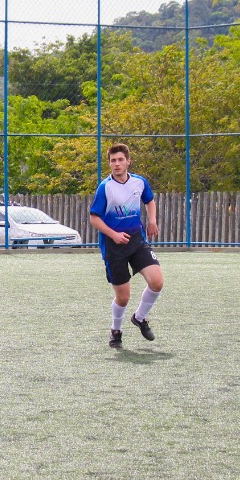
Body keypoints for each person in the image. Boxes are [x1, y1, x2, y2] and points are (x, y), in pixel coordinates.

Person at [89, 143, 164, 349]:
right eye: (113, 160)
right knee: (123, 297)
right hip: (114, 247)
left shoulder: (139, 182)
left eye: (120, 159)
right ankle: (116, 331)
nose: (117, 164)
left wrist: (152, 220)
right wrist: (113, 235)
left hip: (137, 242)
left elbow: (149, 201)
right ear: (109, 164)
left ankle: (140, 318)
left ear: (128, 161)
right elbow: (94, 218)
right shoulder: (105, 187)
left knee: (157, 282)